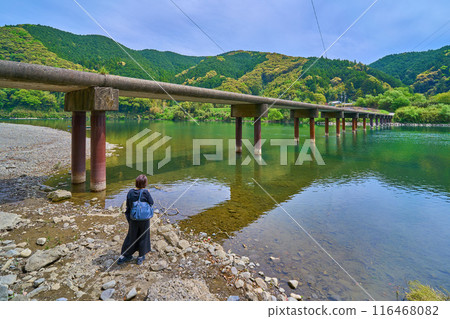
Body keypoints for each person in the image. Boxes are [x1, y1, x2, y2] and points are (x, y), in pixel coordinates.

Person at [118, 174, 154, 265]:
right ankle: (140, 257)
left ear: (136, 183)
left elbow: (128, 205)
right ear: (145, 184)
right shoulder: (145, 192)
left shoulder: (130, 192)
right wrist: (146, 193)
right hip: (144, 219)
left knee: (131, 236)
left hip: (133, 218)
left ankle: (125, 255)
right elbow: (151, 202)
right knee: (143, 236)